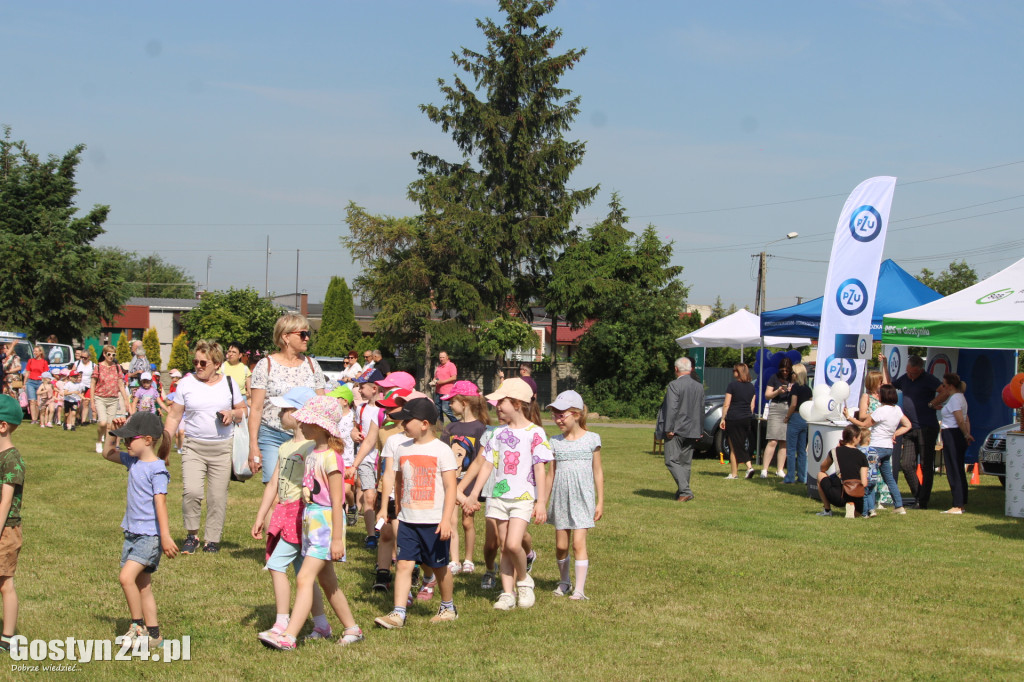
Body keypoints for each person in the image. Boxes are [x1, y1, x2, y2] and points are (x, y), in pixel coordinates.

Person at [259, 396, 364, 650]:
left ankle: (289, 636)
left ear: (319, 426)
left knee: (304, 578)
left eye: (305, 420)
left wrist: (337, 538)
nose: (300, 423)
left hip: (325, 526)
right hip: (310, 523)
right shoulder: (311, 453)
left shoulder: (331, 457)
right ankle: (352, 628)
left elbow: (337, 501)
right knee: (327, 581)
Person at [250, 387, 333, 641]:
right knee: (302, 574)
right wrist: (261, 515)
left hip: (302, 514)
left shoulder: (311, 447)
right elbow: (274, 483)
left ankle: (281, 621)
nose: (280, 413)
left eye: (286, 409)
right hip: (284, 512)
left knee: (276, 565)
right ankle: (321, 625)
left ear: (300, 414)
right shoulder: (286, 446)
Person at [463, 378, 551, 611]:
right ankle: (507, 593)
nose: (497, 406)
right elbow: (488, 464)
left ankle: (523, 581)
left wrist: (541, 502)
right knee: (504, 546)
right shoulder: (497, 434)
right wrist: (474, 494)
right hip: (498, 497)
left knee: (513, 544)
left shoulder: (536, 433)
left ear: (518, 404)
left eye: (502, 402)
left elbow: (540, 468)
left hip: (523, 498)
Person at [373, 397, 460, 628]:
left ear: (423, 424)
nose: (402, 425)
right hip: (408, 521)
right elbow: (398, 481)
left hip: (433, 522)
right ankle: (398, 613)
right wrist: (392, 509)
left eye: (407, 420)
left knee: (439, 567)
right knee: (403, 564)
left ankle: (448, 607)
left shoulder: (442, 450)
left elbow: (451, 487)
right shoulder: (401, 448)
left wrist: (446, 520)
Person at [101, 411, 178, 649]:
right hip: (132, 533)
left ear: (147, 440)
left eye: (129, 439)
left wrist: (165, 537)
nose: (125, 443)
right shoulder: (132, 461)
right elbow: (107, 453)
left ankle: (137, 626)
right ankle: (154, 635)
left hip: (149, 536)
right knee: (143, 585)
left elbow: (160, 504)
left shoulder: (157, 469)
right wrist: (110, 432)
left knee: (126, 578)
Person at [162, 340, 246, 554]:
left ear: (216, 363)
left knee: (217, 497)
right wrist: (164, 446)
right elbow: (173, 416)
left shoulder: (229, 383)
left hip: (222, 448)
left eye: (203, 362)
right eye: (195, 362)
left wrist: (232, 414)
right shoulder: (186, 384)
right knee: (191, 492)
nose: (198, 366)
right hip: (193, 447)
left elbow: (243, 409)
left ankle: (212, 540)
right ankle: (192, 536)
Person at [248, 314, 328, 484]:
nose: (307, 338)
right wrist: (253, 445)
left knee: (303, 488)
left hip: (307, 436)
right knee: (274, 487)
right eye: (302, 334)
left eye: (308, 334)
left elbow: (322, 405)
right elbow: (256, 408)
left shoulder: (312, 365)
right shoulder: (265, 365)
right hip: (272, 434)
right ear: (285, 336)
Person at [546, 390, 603, 601]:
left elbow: (598, 471)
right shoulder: (554, 442)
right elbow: (550, 474)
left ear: (576, 414)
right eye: (555, 415)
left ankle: (579, 590)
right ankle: (564, 581)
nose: (557, 419)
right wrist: (541, 502)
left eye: (562, 414)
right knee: (561, 546)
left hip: (583, 498)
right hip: (561, 499)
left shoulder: (592, 440)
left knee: (579, 544)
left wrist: (600, 501)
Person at [439, 380, 489, 575]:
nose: (450, 405)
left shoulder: (481, 429)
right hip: (451, 482)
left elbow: (480, 461)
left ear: (464, 402)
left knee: (467, 522)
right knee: (451, 522)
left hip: (470, 484)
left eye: (452, 401)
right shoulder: (450, 428)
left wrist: (471, 492)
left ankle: (468, 559)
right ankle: (454, 561)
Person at [882, 353, 941, 509]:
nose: (910, 375)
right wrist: (885, 366)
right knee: (906, 464)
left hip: (926, 427)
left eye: (913, 373)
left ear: (921, 370)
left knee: (926, 465)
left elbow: (945, 390)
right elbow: (889, 385)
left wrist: (934, 403)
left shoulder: (929, 379)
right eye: (908, 372)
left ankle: (923, 501)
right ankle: (918, 495)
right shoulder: (905, 378)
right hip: (909, 428)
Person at [844, 384, 911, 515]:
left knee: (868, 478)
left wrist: (849, 417)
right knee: (889, 478)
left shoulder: (881, 410)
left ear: (884, 396)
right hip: (888, 448)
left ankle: (869, 509)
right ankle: (899, 506)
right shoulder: (897, 409)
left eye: (879, 393)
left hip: (875, 447)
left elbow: (864, 424)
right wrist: (894, 434)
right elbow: (907, 425)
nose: (877, 395)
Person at [654, 357, 704, 501]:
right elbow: (701, 409)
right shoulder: (698, 386)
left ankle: (685, 491)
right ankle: (682, 491)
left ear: (676, 369)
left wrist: (669, 428)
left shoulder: (674, 385)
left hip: (676, 429)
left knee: (671, 460)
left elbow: (671, 407)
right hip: (693, 429)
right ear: (690, 369)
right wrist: (700, 429)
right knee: (685, 463)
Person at [0, 395, 25, 652]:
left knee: (5, 583)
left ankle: (7, 638)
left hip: (5, 529)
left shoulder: (11, 459)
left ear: (2, 425)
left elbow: (5, 503)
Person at [931, 373, 973, 514]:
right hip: (955, 434)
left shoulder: (955, 398)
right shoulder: (959, 398)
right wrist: (966, 433)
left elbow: (960, 419)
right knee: (958, 468)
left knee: (953, 468)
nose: (943, 387)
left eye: (944, 384)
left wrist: (966, 433)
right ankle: (961, 501)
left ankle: (957, 504)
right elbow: (965, 419)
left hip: (952, 434)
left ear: (950, 385)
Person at [815, 424, 869, 518]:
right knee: (857, 515)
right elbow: (864, 483)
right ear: (854, 438)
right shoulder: (862, 456)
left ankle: (827, 510)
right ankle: (853, 506)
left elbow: (823, 468)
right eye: (859, 437)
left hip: (839, 496)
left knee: (820, 475)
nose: (860, 439)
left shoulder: (835, 451)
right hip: (857, 495)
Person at [91, 345, 133, 454]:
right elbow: (93, 384)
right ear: (104, 354)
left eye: (113, 355)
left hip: (113, 399)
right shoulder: (98, 367)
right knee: (103, 423)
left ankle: (107, 446)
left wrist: (125, 400)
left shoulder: (117, 367)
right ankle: (99, 440)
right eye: (109, 354)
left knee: (110, 425)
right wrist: (92, 401)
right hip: (100, 397)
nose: (111, 357)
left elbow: (120, 384)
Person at [720, 363, 756, 480]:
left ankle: (747, 468)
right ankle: (734, 473)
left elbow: (726, 404)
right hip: (746, 418)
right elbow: (752, 405)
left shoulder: (732, 386)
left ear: (738, 372)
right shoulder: (751, 387)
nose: (733, 372)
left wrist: (723, 418)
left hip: (734, 417)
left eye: (734, 370)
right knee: (739, 444)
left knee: (734, 445)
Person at [761, 357, 793, 479]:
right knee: (773, 439)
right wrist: (778, 391)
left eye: (787, 370)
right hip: (776, 407)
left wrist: (792, 389)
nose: (785, 372)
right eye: (783, 370)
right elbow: (767, 395)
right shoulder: (774, 377)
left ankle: (780, 469)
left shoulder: (792, 378)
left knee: (784, 441)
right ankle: (765, 469)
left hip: (788, 408)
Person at [783, 363, 813, 484]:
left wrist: (787, 416)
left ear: (796, 375)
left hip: (795, 417)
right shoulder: (808, 389)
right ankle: (803, 476)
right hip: (805, 419)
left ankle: (790, 477)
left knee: (790, 449)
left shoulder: (795, 388)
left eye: (792, 373)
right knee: (802, 450)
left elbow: (794, 404)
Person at [857, 427, 881, 518]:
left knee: (864, 495)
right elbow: (879, 463)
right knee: (871, 493)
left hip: (865, 477)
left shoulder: (859, 451)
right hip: (874, 477)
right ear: (868, 439)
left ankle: (864, 513)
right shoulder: (874, 450)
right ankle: (872, 509)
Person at [24, 346, 49, 426]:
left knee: (38, 401)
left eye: (36, 351)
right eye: (34, 351)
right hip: (30, 382)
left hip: (40, 382)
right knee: (32, 401)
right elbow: (27, 372)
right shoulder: (30, 361)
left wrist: (45, 384)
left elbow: (46, 374)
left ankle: (37, 418)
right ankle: (33, 419)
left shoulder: (44, 362)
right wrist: (24, 383)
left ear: (41, 352)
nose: (35, 353)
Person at [432, 351, 459, 425]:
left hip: (447, 392)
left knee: (446, 409)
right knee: (438, 410)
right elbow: (436, 377)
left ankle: (456, 423)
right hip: (438, 391)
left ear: (447, 357)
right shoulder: (439, 366)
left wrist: (442, 382)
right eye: (440, 357)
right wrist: (433, 382)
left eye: (443, 357)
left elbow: (454, 377)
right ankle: (440, 427)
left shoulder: (451, 365)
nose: (441, 359)